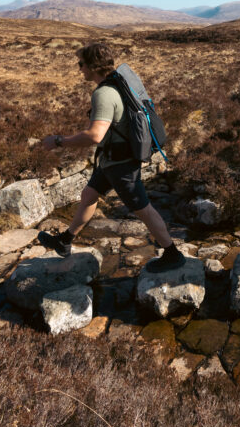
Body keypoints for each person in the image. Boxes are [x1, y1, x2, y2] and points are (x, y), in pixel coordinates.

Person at [37, 42, 185, 271]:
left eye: (81, 64)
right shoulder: (115, 84)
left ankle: (172, 253)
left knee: (143, 209)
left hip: (121, 165)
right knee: (89, 195)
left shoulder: (104, 93)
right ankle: (64, 241)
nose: (79, 69)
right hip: (111, 161)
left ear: (93, 66)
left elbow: (95, 135)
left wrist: (58, 141)